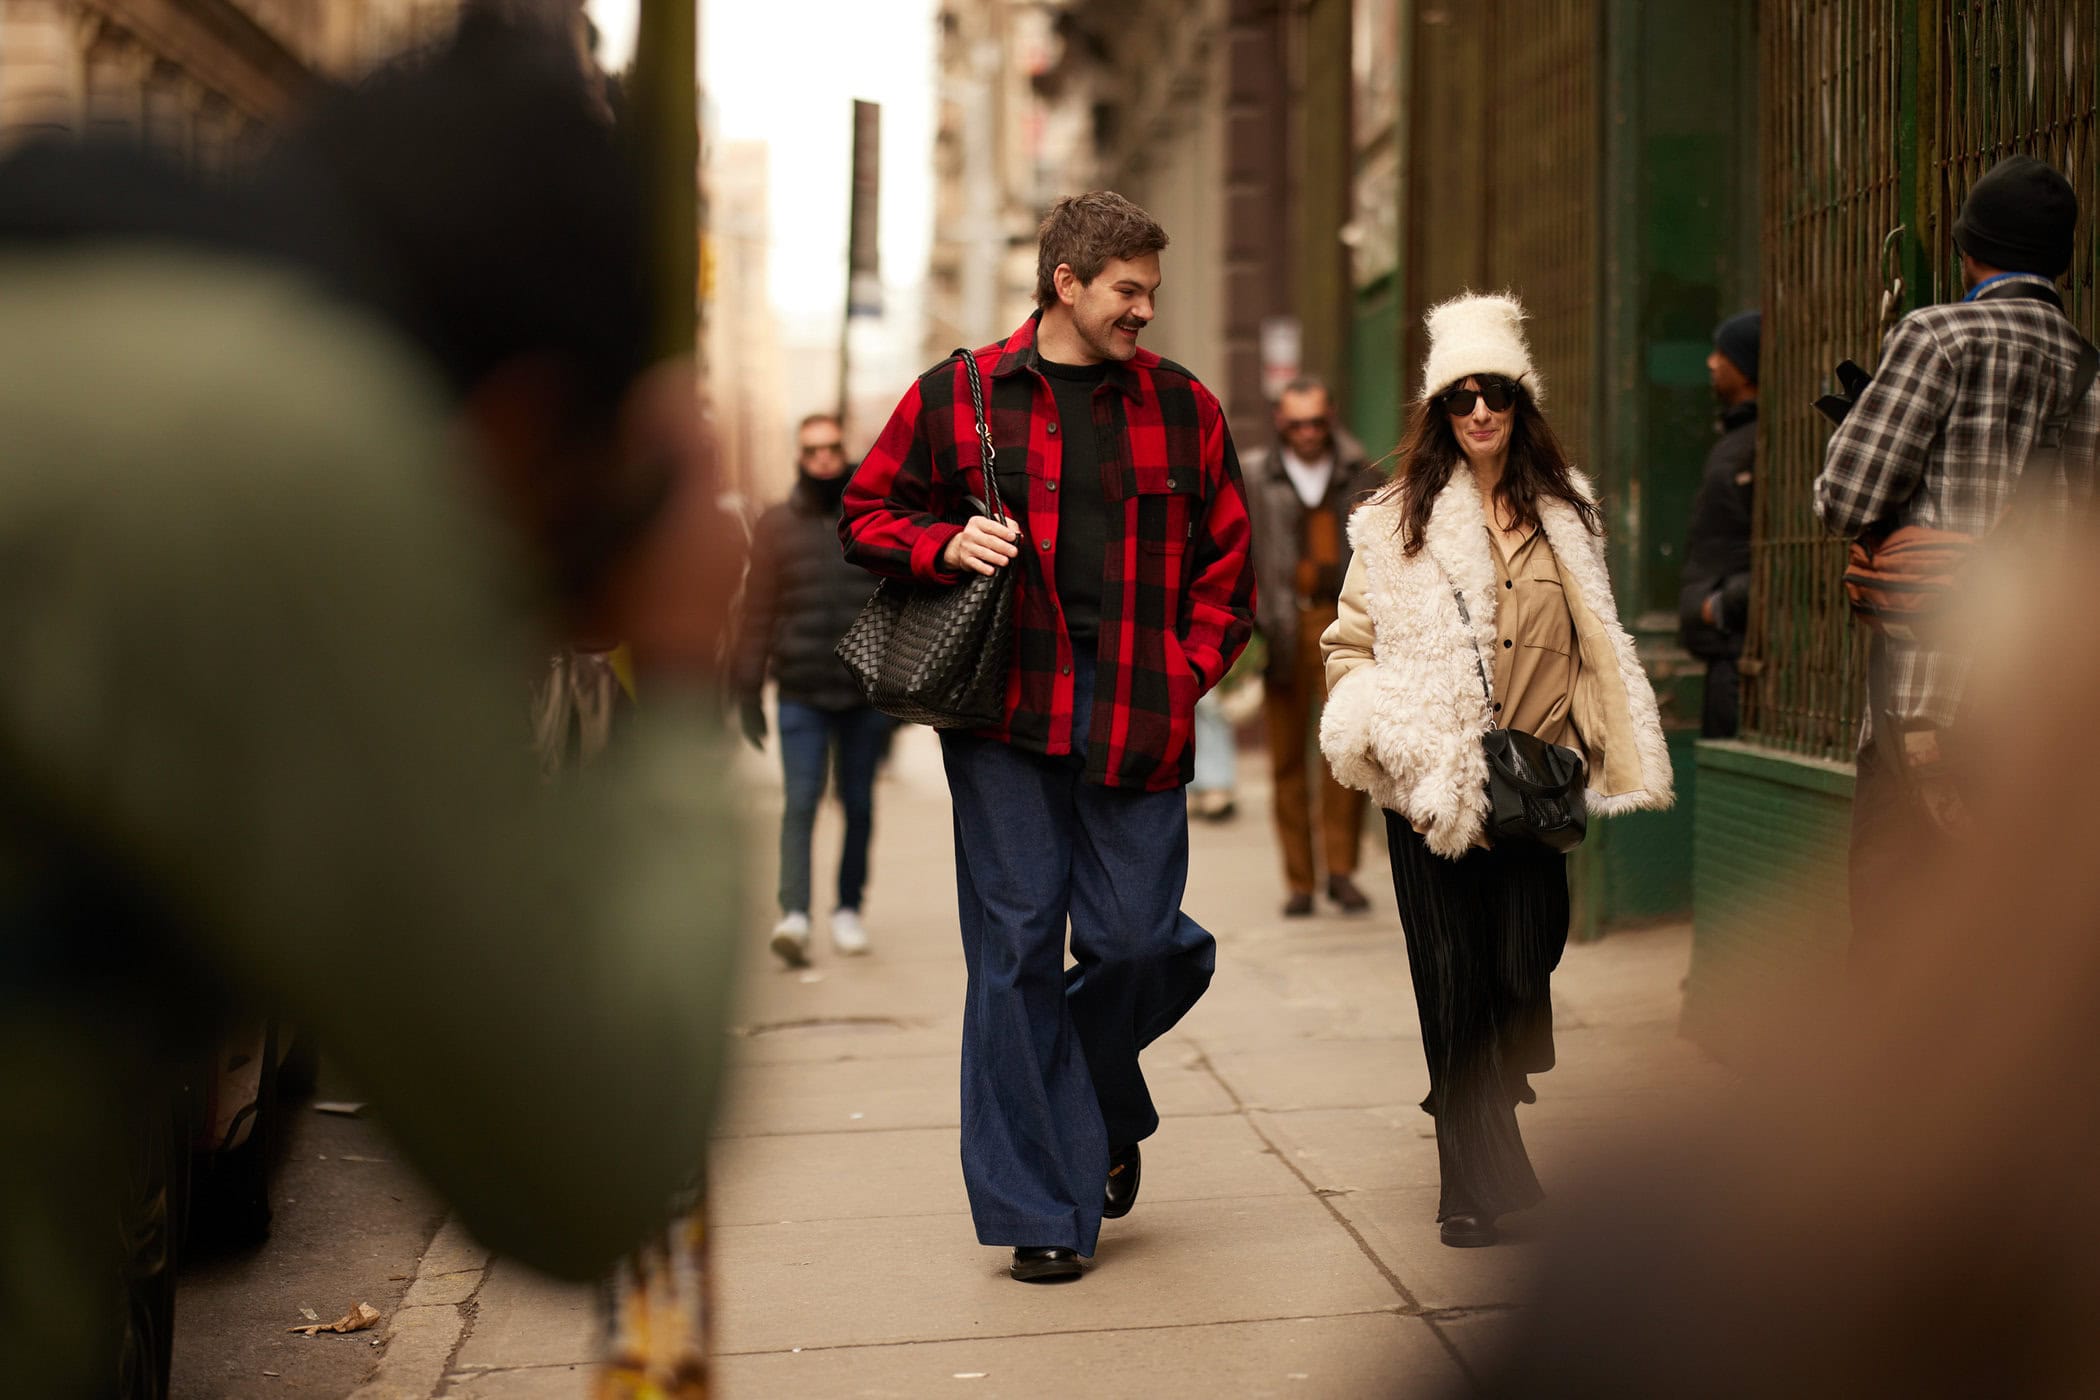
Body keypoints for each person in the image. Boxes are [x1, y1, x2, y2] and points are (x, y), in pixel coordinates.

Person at [0, 17, 742, 1397]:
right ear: (517, 423)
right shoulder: (278, 441)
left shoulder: (87, 317)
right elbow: (581, 1161)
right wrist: (682, 670)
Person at [840, 190, 1255, 1283]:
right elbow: (865, 515)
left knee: (1138, 943)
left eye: (1152, 293)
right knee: (1017, 951)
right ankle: (1042, 1207)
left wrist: (1184, 672)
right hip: (1004, 722)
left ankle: (1096, 1099)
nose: (1144, 312)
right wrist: (942, 543)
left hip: (1137, 715)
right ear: (1065, 284)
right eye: (1129, 290)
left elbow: (1228, 575)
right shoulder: (957, 395)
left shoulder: (1186, 407)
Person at [1319, 292, 1673, 1249]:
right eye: (1462, 397)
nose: (1480, 412)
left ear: (1522, 406)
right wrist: (1387, 730)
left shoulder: (1568, 514)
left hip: (1537, 785)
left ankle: (1480, 1092)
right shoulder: (1392, 523)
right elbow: (1347, 649)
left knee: (1524, 962)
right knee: (1452, 978)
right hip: (1433, 786)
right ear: (1439, 410)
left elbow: (1599, 638)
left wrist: (1607, 740)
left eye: (1498, 396)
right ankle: (1468, 1185)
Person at [1813, 154, 2098, 956]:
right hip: (2046, 708)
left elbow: (1843, 497)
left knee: (1899, 934)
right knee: (2017, 946)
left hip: (1928, 700)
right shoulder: (2091, 371)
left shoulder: (1936, 336)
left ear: (1970, 251)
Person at [734, 412, 890, 966]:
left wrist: (896, 693)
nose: (823, 458)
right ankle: (794, 915)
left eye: (830, 448)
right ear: (799, 457)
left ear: (842, 451)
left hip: (862, 694)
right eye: (812, 450)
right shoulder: (776, 524)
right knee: (800, 802)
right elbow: (757, 610)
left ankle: (848, 909)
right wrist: (746, 687)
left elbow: (895, 603)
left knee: (859, 805)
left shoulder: (870, 514)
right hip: (800, 691)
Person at [1244, 375, 1380, 915]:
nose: (1306, 432)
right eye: (1296, 422)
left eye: (1316, 422)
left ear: (1331, 419)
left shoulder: (1360, 471)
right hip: (1279, 625)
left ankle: (1342, 872)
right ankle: (1300, 881)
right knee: (1285, 762)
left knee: (1345, 753)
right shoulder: (1256, 475)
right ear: (1280, 420)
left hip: (1341, 626)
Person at [1678, 311, 1760, 739]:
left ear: (1744, 367)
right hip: (1727, 651)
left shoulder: (1761, 444)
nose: (1712, 363)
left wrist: (1723, 604)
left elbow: (1782, 548)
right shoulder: (1737, 439)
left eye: (1722, 353)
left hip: (1746, 657)